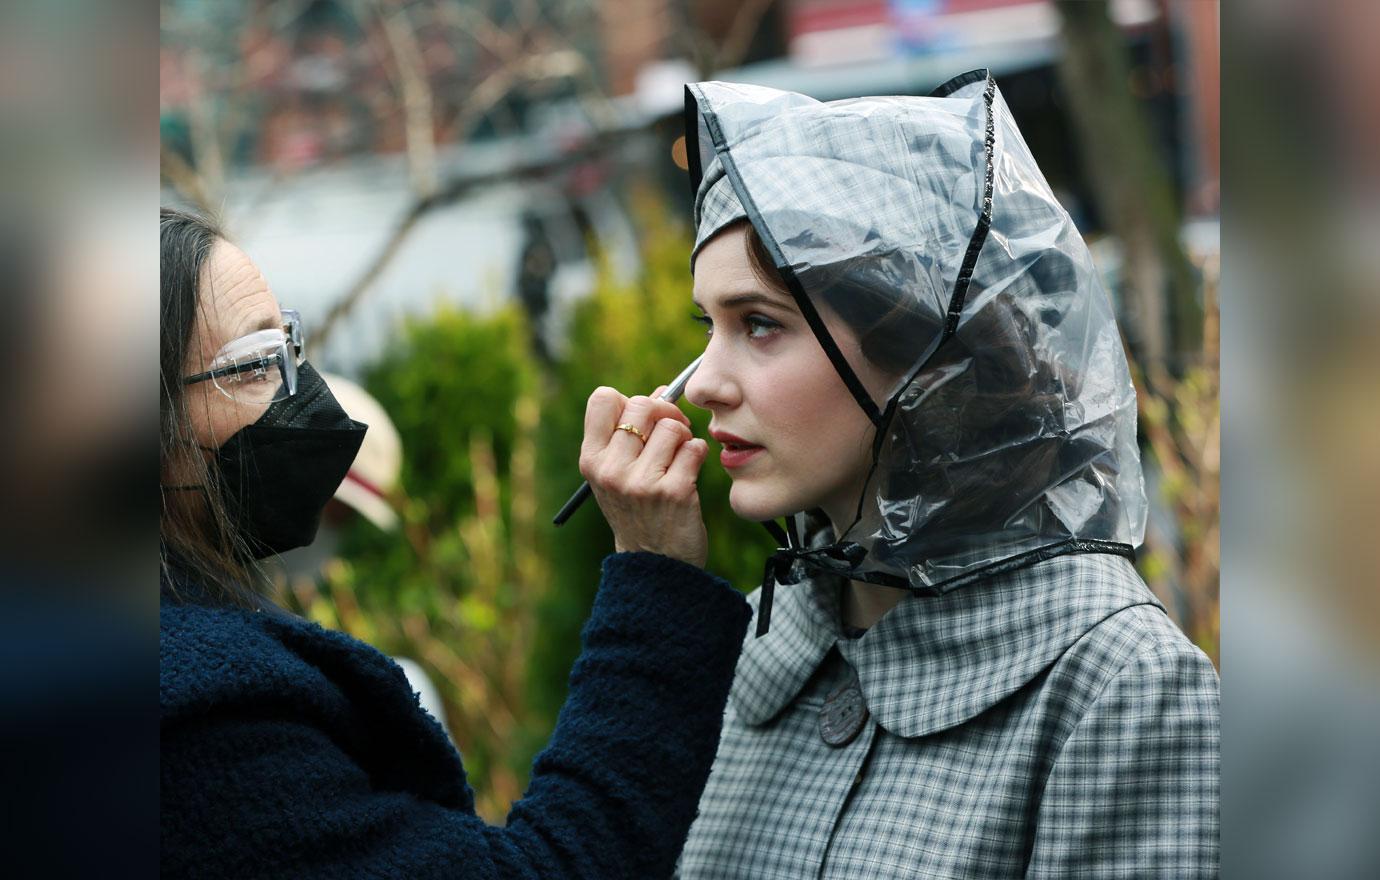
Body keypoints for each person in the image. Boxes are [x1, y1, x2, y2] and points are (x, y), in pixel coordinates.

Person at [669, 71, 1220, 878]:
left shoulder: (1121, 688)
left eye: (759, 325)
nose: (703, 383)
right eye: (707, 327)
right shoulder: (743, 650)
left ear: (923, 351)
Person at [158, 206, 750, 879]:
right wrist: (656, 575)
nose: (303, 393)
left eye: (288, 346)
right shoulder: (200, 724)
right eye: (254, 363)